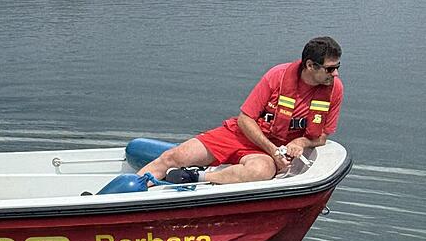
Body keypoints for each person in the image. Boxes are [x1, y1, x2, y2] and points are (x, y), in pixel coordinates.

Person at [138, 36, 343, 185]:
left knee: (260, 171)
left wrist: (301, 142)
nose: (335, 74)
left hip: (271, 151)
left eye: (337, 67)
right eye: (330, 68)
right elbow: (245, 119)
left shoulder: (335, 90)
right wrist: (272, 149)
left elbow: (322, 136)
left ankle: (196, 176)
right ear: (310, 65)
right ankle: (128, 191)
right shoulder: (277, 76)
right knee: (174, 156)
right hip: (243, 135)